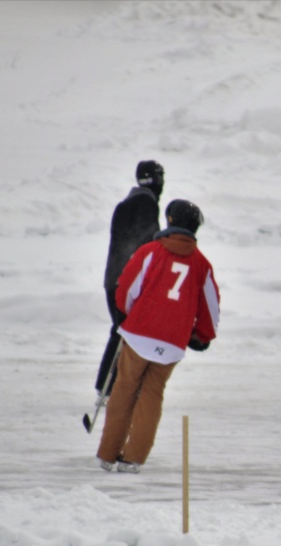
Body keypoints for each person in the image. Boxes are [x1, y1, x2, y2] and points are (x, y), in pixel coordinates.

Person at [96, 199, 219, 473]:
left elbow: (126, 288)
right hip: (172, 343)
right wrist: (202, 336)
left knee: (124, 389)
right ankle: (134, 459)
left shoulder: (150, 252)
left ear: (171, 221)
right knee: (152, 395)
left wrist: (127, 313)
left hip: (139, 336)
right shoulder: (202, 265)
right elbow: (210, 308)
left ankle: (107, 453)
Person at [95, 159, 165, 399]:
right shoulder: (147, 204)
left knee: (120, 331)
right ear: (157, 180)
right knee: (126, 333)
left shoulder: (123, 205)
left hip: (112, 279)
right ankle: (112, 387)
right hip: (127, 281)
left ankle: (106, 386)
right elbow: (149, 243)